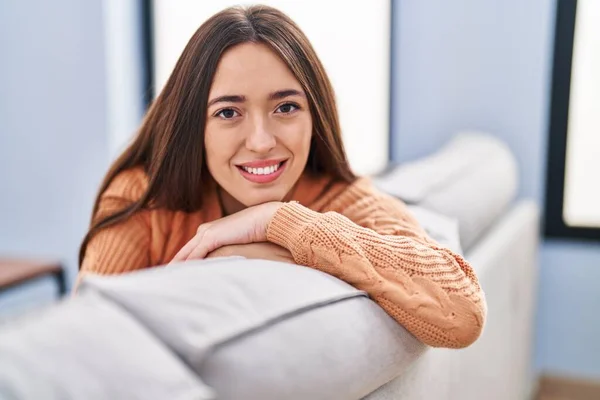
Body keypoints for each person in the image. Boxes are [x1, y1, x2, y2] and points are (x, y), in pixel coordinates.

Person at [78, 5, 486, 349]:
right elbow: (83, 344)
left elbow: (463, 313)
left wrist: (276, 221)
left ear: (315, 115)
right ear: (193, 126)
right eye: (227, 112)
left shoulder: (343, 199)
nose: (260, 141)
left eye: (286, 107)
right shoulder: (144, 195)